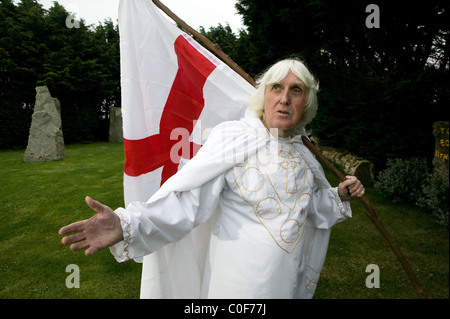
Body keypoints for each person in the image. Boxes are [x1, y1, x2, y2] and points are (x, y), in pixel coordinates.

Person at [59, 58, 365, 298]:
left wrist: (337, 195)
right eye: (276, 88)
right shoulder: (234, 140)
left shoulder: (305, 156)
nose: (284, 98)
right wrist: (127, 225)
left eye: (295, 90)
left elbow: (307, 209)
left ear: (306, 105)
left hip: (287, 279)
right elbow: (185, 202)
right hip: (238, 284)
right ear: (264, 97)